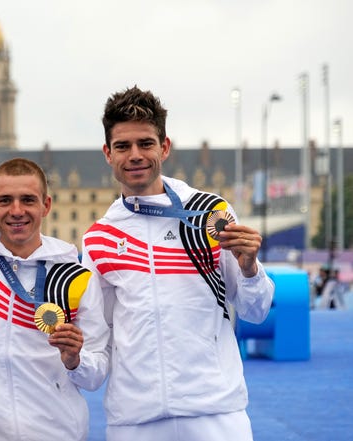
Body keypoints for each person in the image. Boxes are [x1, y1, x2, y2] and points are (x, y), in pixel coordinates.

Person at [81, 86, 275, 441]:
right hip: (134, 419)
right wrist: (73, 358)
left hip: (215, 411)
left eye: (146, 143)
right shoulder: (98, 238)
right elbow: (98, 340)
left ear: (164, 147)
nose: (135, 155)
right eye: (123, 146)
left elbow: (256, 311)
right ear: (108, 154)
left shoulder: (210, 214)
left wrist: (250, 270)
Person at [0, 158, 110, 440]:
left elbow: (96, 375)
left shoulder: (76, 277)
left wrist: (75, 360)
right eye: (6, 200)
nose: (17, 211)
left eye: (28, 200)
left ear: (46, 205)